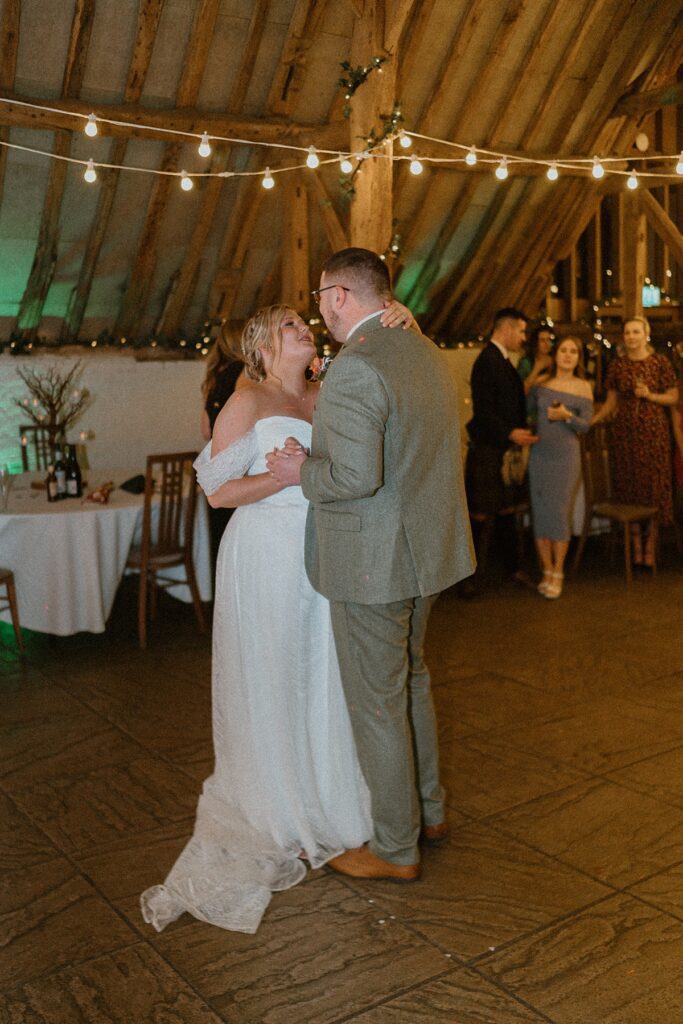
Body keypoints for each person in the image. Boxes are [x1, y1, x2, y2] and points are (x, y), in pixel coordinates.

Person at [140, 297, 419, 934]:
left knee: (325, 673)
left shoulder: (326, 395)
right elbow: (216, 490)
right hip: (264, 553)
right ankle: (279, 808)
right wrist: (284, 476)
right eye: (291, 323)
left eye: (306, 320)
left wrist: (404, 323)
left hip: (327, 550)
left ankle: (329, 799)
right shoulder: (247, 401)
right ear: (264, 345)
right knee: (274, 673)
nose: (305, 328)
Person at [267, 247, 474, 883]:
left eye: (321, 296)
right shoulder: (424, 350)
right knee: (410, 681)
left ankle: (394, 847)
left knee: (378, 702)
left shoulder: (357, 367)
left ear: (337, 297)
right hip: (425, 552)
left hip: (372, 566)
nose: (318, 309)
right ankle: (429, 813)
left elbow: (355, 475)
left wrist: (298, 469)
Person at [591, 316, 678, 566]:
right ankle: (635, 547)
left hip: (654, 433)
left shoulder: (660, 362)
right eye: (627, 333)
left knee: (653, 488)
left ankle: (650, 548)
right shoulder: (617, 365)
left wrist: (650, 395)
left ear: (646, 334)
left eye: (636, 332)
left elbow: (673, 397)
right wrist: (594, 420)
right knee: (629, 487)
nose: (631, 337)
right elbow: (610, 402)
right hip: (625, 434)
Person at [464, 307, 538, 591]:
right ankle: (468, 579)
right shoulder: (487, 361)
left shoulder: (503, 360)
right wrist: (510, 432)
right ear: (506, 330)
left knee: (507, 511)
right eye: (520, 331)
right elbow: (484, 411)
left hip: (501, 450)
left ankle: (513, 569)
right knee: (479, 516)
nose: (523, 337)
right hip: (487, 451)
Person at [527, 337, 593, 598]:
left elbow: (585, 426)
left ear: (579, 357)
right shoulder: (542, 385)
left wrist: (567, 416)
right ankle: (545, 570)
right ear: (555, 355)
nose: (567, 355)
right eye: (563, 350)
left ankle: (558, 570)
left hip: (566, 456)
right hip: (539, 454)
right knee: (541, 513)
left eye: (573, 351)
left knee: (559, 513)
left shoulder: (583, 387)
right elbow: (526, 409)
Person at [200, 322, 247, 571]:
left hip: (216, 466)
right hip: (239, 466)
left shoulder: (215, 375)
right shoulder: (246, 373)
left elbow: (205, 430)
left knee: (221, 540)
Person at [517, 323, 555, 396]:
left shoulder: (555, 360)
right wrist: (537, 368)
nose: (547, 343)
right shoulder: (526, 362)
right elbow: (520, 390)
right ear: (536, 343)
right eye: (542, 340)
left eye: (548, 340)